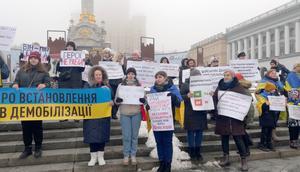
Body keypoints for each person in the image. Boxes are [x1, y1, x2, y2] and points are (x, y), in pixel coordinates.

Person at [12, 51, 51, 159]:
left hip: (38, 104)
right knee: (26, 127)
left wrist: (45, 85)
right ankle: (27, 148)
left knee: (37, 126)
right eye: (32, 58)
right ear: (29, 59)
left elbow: (49, 84)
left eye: (36, 58)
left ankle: (38, 147)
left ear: (39, 60)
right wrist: (14, 84)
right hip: (24, 104)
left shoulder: (43, 72)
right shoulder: (21, 71)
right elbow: (15, 82)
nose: (33, 60)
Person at [213, 70, 249, 171]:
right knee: (224, 138)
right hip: (223, 118)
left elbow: (245, 101)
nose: (226, 77)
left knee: (238, 138)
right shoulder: (219, 87)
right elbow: (215, 99)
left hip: (235, 119)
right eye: (224, 75)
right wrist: (216, 110)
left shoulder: (239, 87)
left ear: (232, 76)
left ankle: (243, 160)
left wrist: (241, 113)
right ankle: (226, 158)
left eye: (228, 75)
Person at [149, 71, 182, 172]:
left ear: (165, 78)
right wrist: (147, 106)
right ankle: (162, 163)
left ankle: (168, 164)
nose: (158, 79)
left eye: (160, 77)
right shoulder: (152, 90)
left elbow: (179, 103)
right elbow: (149, 104)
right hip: (157, 121)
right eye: (157, 77)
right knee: (159, 142)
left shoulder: (172, 88)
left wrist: (173, 97)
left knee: (167, 142)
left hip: (168, 120)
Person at [83, 66, 113, 166]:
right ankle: (93, 158)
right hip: (91, 117)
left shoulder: (107, 86)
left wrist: (111, 102)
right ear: (93, 76)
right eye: (96, 75)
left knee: (102, 136)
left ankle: (101, 157)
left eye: (100, 74)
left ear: (102, 75)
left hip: (103, 116)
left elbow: (112, 99)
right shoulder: (87, 85)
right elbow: (84, 97)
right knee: (92, 136)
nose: (98, 76)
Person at [115, 68, 145, 165]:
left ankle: (133, 155)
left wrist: (143, 101)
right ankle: (126, 155)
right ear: (126, 75)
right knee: (126, 136)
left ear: (135, 75)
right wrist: (118, 100)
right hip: (124, 113)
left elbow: (145, 99)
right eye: (129, 73)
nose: (131, 75)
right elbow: (116, 99)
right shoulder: (121, 85)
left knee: (134, 136)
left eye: (132, 73)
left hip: (136, 113)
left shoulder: (139, 86)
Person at [180, 69, 207, 161]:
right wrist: (187, 96)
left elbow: (207, 96)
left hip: (201, 111)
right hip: (190, 111)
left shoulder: (204, 84)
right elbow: (180, 97)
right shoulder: (185, 85)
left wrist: (210, 94)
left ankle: (198, 151)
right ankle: (191, 151)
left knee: (199, 132)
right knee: (190, 132)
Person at [57, 42, 85, 122]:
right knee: (64, 98)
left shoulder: (78, 56)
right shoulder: (63, 56)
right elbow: (58, 69)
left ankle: (76, 115)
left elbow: (81, 70)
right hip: (64, 81)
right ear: (66, 48)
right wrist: (60, 61)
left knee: (75, 98)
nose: (69, 48)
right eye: (68, 46)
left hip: (75, 81)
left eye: (71, 46)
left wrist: (83, 62)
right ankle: (64, 115)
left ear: (74, 48)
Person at [256, 69, 284, 141]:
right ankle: (267, 138)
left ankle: (273, 133)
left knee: (275, 120)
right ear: (268, 74)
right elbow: (258, 93)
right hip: (267, 104)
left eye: (275, 73)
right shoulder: (263, 81)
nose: (274, 74)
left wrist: (277, 80)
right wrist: (265, 102)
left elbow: (282, 88)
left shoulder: (276, 80)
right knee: (269, 122)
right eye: (272, 73)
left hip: (277, 103)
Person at [256, 82, 281, 151]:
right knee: (265, 131)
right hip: (265, 116)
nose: (274, 90)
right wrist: (267, 104)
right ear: (269, 89)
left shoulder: (273, 96)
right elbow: (261, 106)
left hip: (272, 116)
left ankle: (268, 143)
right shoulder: (262, 96)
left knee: (270, 131)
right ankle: (262, 144)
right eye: (273, 89)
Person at [101, 48, 122, 120]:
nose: (106, 55)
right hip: (106, 83)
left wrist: (120, 64)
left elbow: (122, 71)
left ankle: (114, 113)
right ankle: (107, 113)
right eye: (105, 53)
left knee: (115, 98)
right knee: (108, 98)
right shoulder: (101, 63)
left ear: (110, 54)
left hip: (115, 82)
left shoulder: (114, 62)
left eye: (107, 53)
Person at [284, 63, 300, 149]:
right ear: (296, 67)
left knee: (299, 124)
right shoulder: (291, 76)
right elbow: (289, 89)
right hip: (293, 104)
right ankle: (292, 140)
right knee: (293, 124)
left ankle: (296, 140)